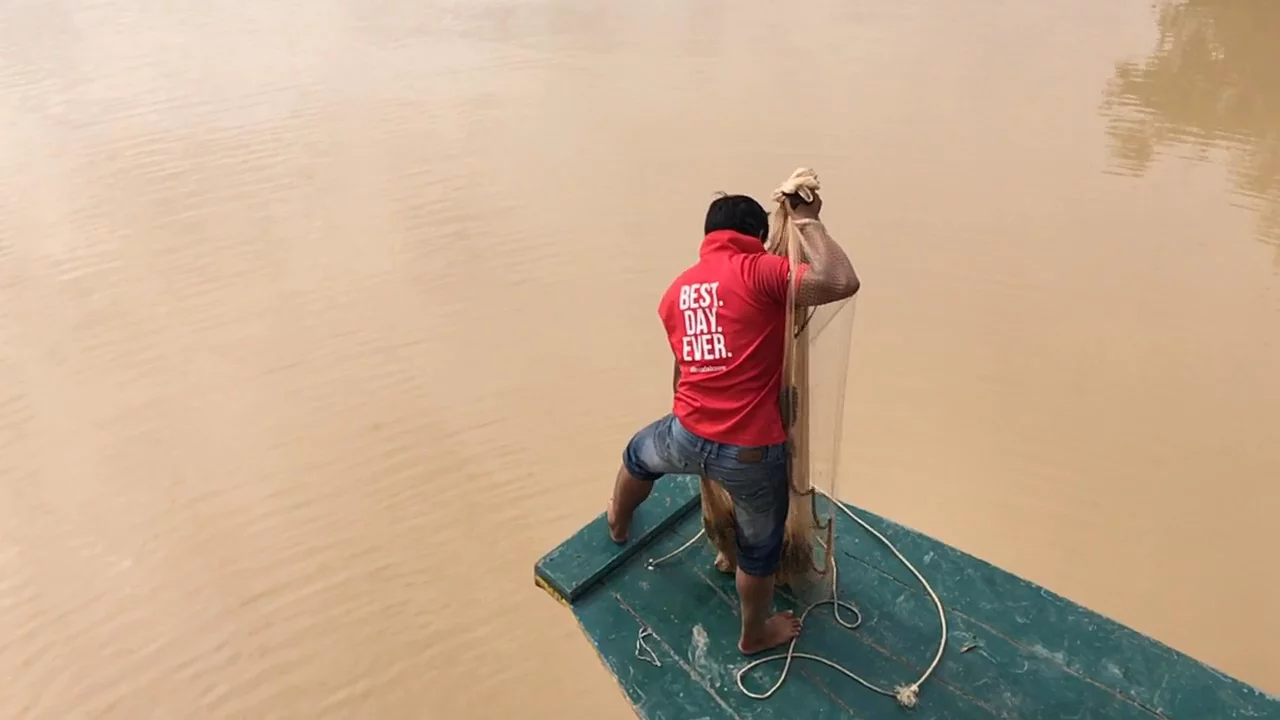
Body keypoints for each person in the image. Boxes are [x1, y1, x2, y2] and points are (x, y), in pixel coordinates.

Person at [606, 190, 860, 654]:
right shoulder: (759, 270)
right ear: (759, 237)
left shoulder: (676, 291)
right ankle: (753, 635)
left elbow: (685, 365)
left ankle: (618, 524)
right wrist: (807, 223)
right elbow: (839, 280)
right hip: (750, 453)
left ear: (708, 236)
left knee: (636, 457)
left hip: (685, 435)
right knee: (758, 551)